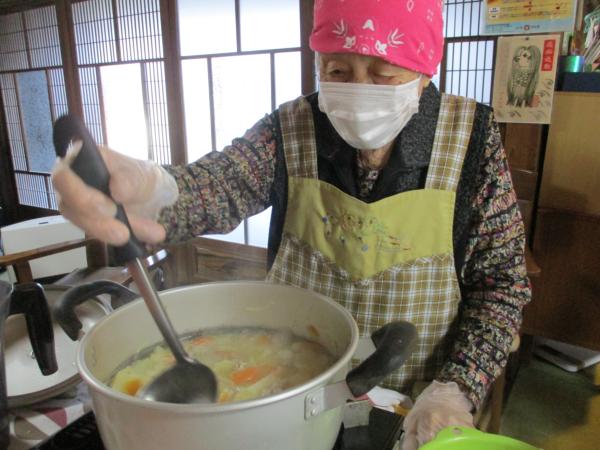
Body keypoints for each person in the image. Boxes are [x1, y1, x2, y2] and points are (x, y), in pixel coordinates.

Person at [52, 1, 531, 448]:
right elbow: (219, 185)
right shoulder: (290, 128)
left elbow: (503, 285)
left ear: (424, 73)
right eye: (337, 71)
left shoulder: (471, 141)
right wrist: (153, 191)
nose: (359, 90)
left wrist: (456, 387)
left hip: (415, 403)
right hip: (293, 399)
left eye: (383, 74)